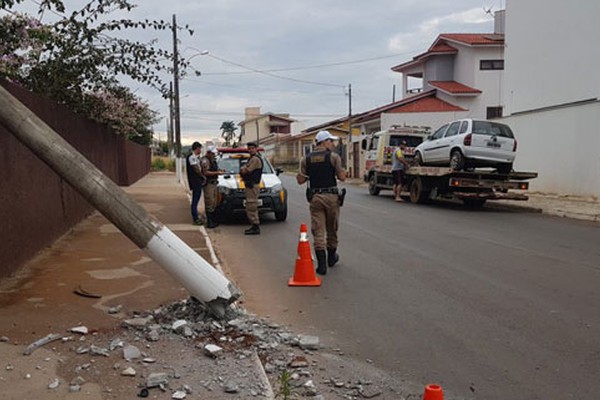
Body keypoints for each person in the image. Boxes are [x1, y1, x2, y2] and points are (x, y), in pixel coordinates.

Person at [296, 130, 347, 275]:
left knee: (318, 230)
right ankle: (331, 258)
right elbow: (342, 177)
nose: (332, 143)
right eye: (330, 141)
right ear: (324, 142)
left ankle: (322, 266)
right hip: (331, 197)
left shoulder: (306, 159)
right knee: (332, 228)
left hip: (315, 198)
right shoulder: (333, 157)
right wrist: (344, 172)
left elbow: (300, 180)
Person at [239, 142, 263, 235]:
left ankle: (255, 226)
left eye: (252, 148)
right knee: (250, 205)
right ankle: (254, 225)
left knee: (251, 205)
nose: (251, 150)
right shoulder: (251, 159)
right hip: (250, 185)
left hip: (252, 185)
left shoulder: (255, 159)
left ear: (256, 149)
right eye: (249, 148)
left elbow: (246, 170)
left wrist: (243, 168)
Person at [201, 146, 226, 228]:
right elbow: (206, 172)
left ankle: (213, 220)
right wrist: (217, 173)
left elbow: (215, 169)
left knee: (215, 202)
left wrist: (221, 171)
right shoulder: (205, 160)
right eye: (212, 153)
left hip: (214, 183)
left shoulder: (213, 160)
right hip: (208, 184)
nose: (214, 155)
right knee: (210, 202)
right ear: (208, 153)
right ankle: (209, 222)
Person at [185, 141, 205, 225]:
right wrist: (203, 176)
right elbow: (196, 169)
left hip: (197, 181)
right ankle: (195, 218)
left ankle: (196, 216)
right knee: (195, 200)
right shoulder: (191, 157)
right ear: (197, 148)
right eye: (200, 148)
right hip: (195, 181)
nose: (200, 150)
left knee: (196, 199)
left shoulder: (196, 157)